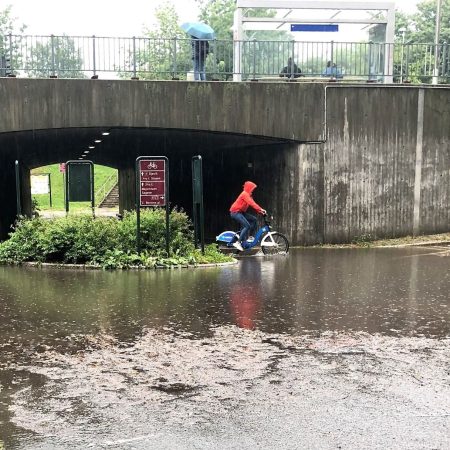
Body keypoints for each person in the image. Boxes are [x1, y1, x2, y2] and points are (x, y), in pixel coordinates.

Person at [229, 181, 266, 251]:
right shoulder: (244, 194)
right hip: (235, 212)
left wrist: (260, 212)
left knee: (254, 219)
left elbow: (253, 204)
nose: (253, 190)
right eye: (252, 189)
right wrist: (261, 208)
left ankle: (250, 237)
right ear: (249, 188)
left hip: (241, 212)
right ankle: (238, 242)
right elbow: (251, 203)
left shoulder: (249, 195)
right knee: (247, 226)